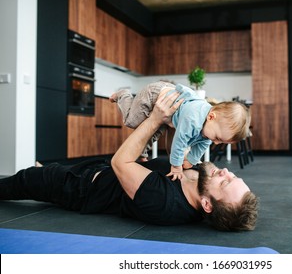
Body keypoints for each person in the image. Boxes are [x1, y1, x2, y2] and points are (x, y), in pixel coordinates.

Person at [0, 89, 258, 231]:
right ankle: (47, 171)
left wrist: (156, 118)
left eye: (225, 183)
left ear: (207, 205)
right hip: (93, 171)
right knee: (46, 170)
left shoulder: (165, 202)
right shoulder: (200, 176)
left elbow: (120, 163)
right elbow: (183, 142)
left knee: (24, 180)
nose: (225, 171)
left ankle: (40, 177)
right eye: (233, 175)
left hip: (79, 187)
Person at [109, 80, 250, 180]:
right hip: (155, 94)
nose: (216, 143)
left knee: (155, 130)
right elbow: (179, 142)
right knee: (132, 121)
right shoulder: (193, 120)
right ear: (211, 116)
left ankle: (142, 154)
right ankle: (124, 95)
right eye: (218, 138)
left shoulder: (210, 128)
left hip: (171, 107)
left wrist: (191, 160)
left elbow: (203, 145)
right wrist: (176, 167)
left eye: (221, 141)